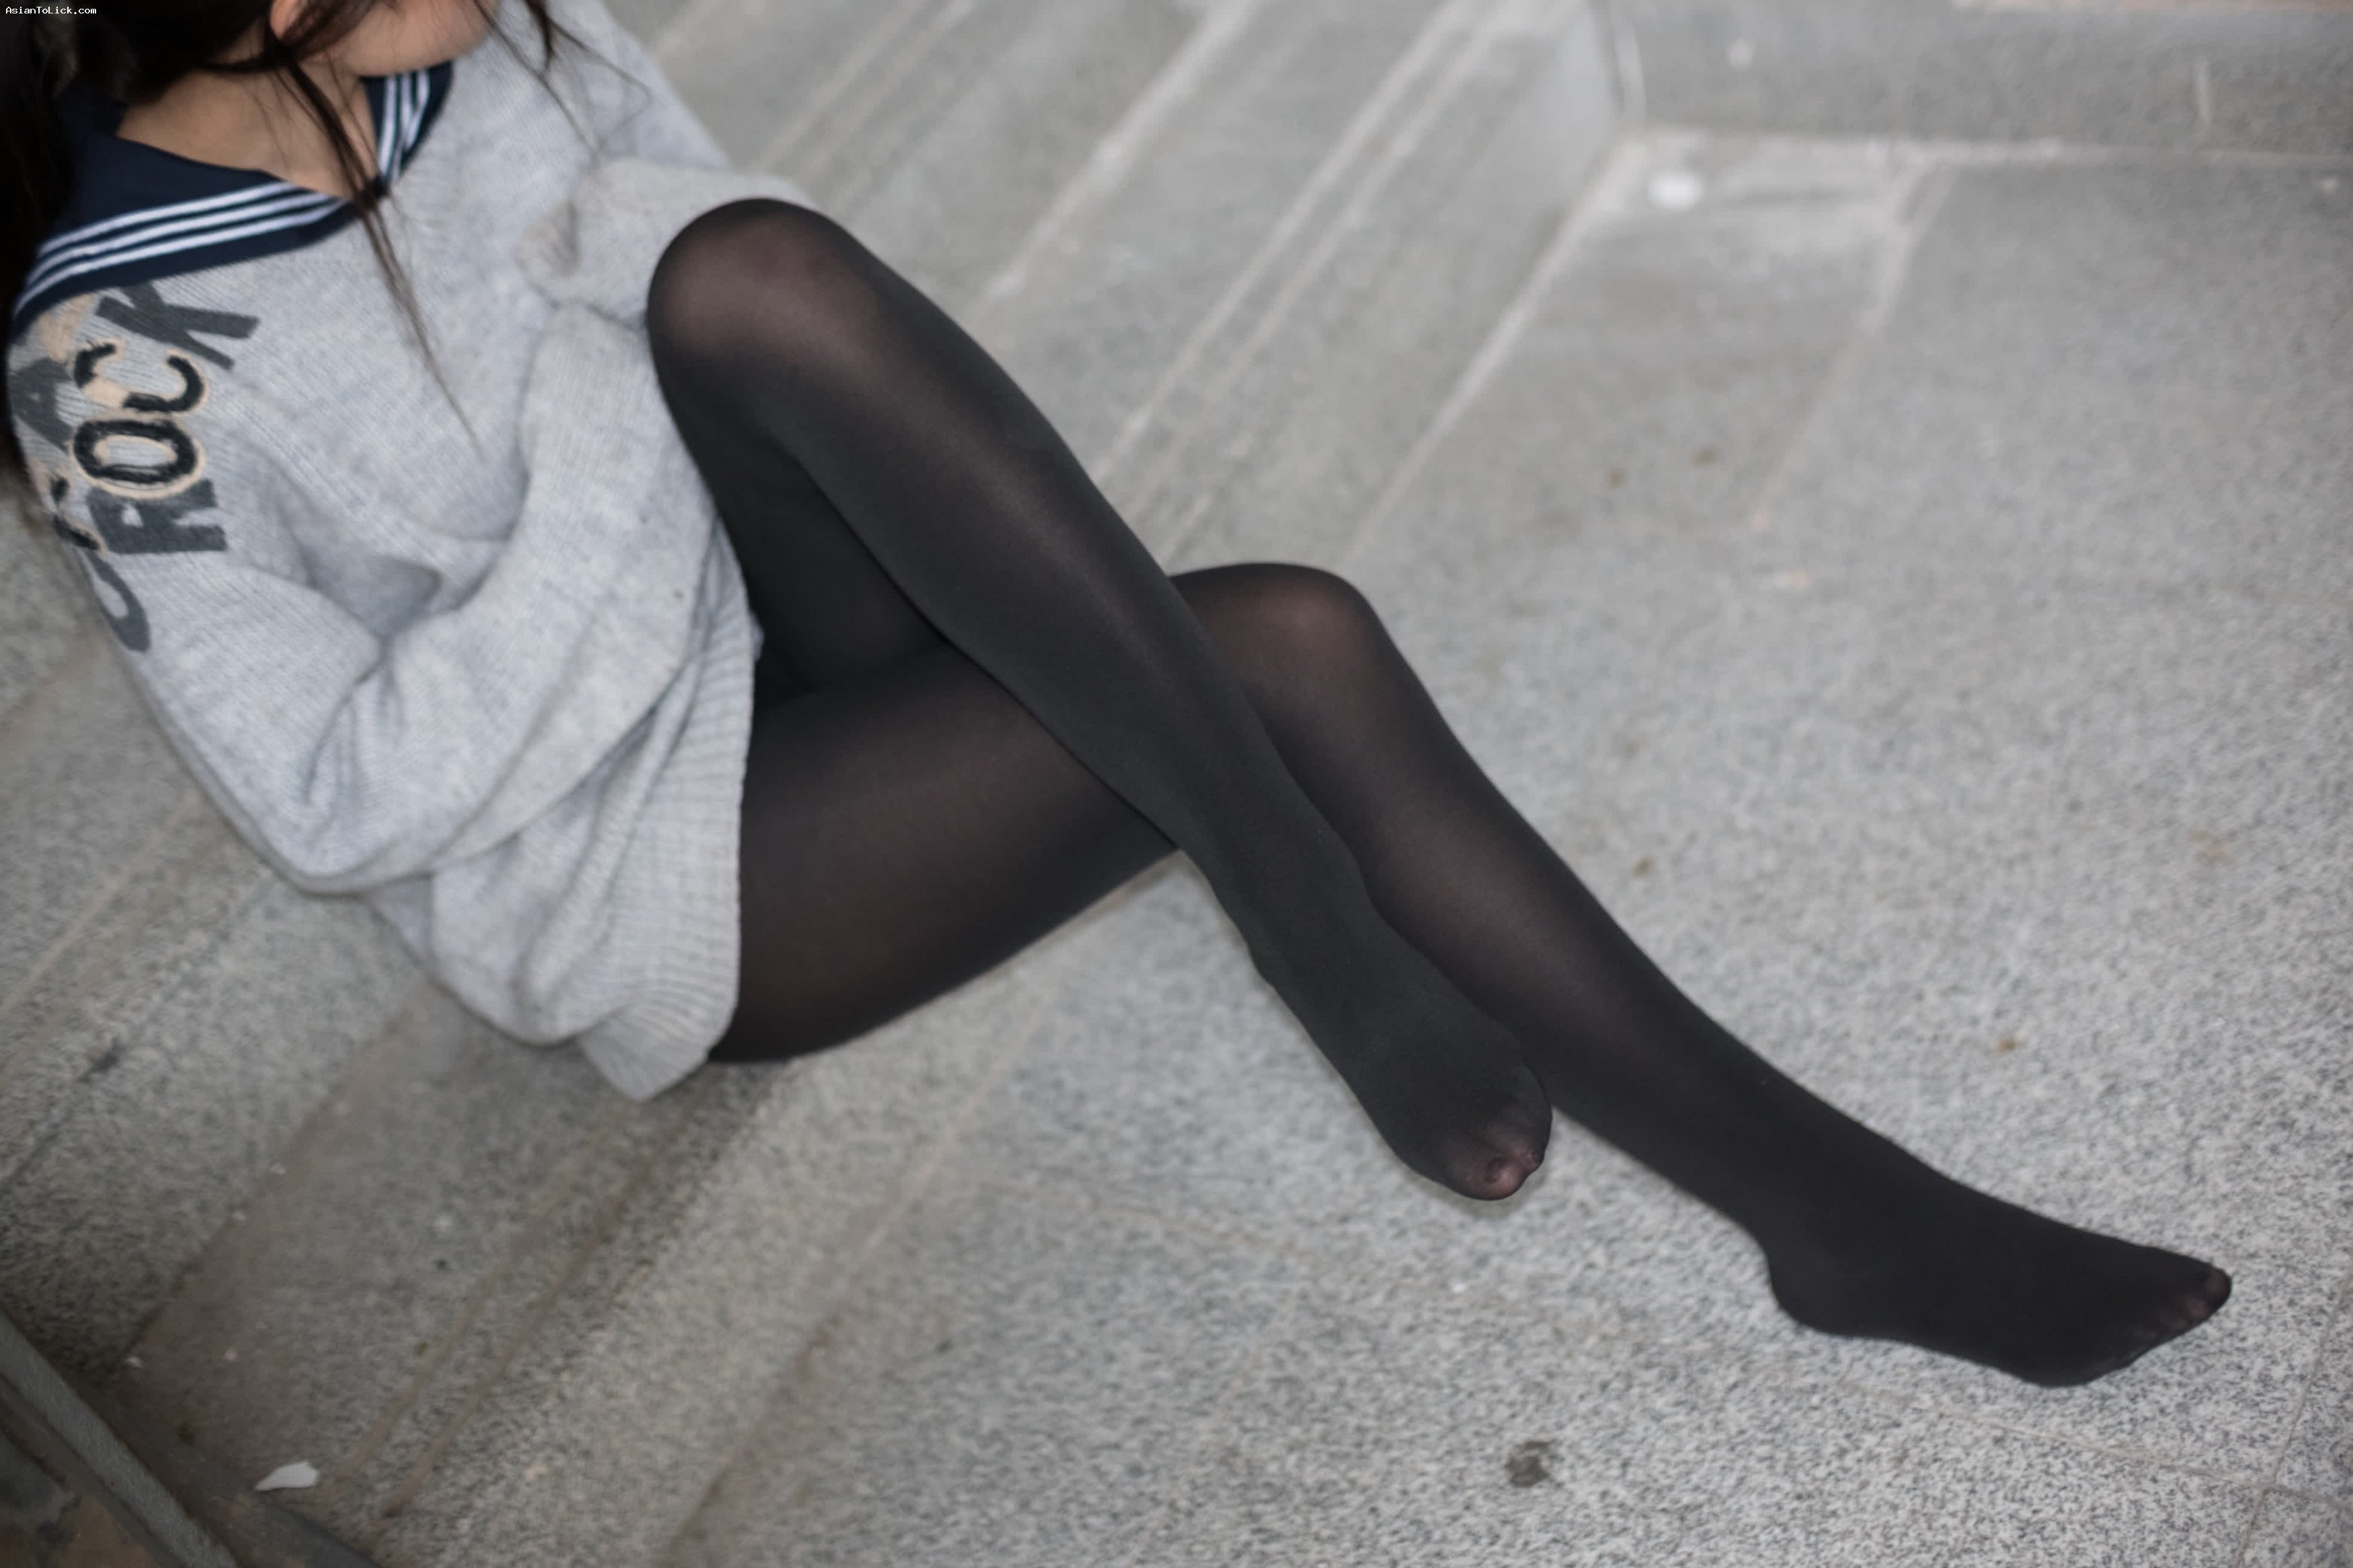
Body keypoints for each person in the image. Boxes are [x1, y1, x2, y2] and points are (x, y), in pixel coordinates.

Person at [0, 0, 2229, 1389]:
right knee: (1283, 642)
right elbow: (330, 798)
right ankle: (1821, 1206)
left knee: (747, 268)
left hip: (786, 608)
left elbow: (702, 230)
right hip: (653, 849)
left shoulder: (476, 31)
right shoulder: (113, 366)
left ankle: (1319, 919)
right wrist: (592, 434)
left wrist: (641, 335)